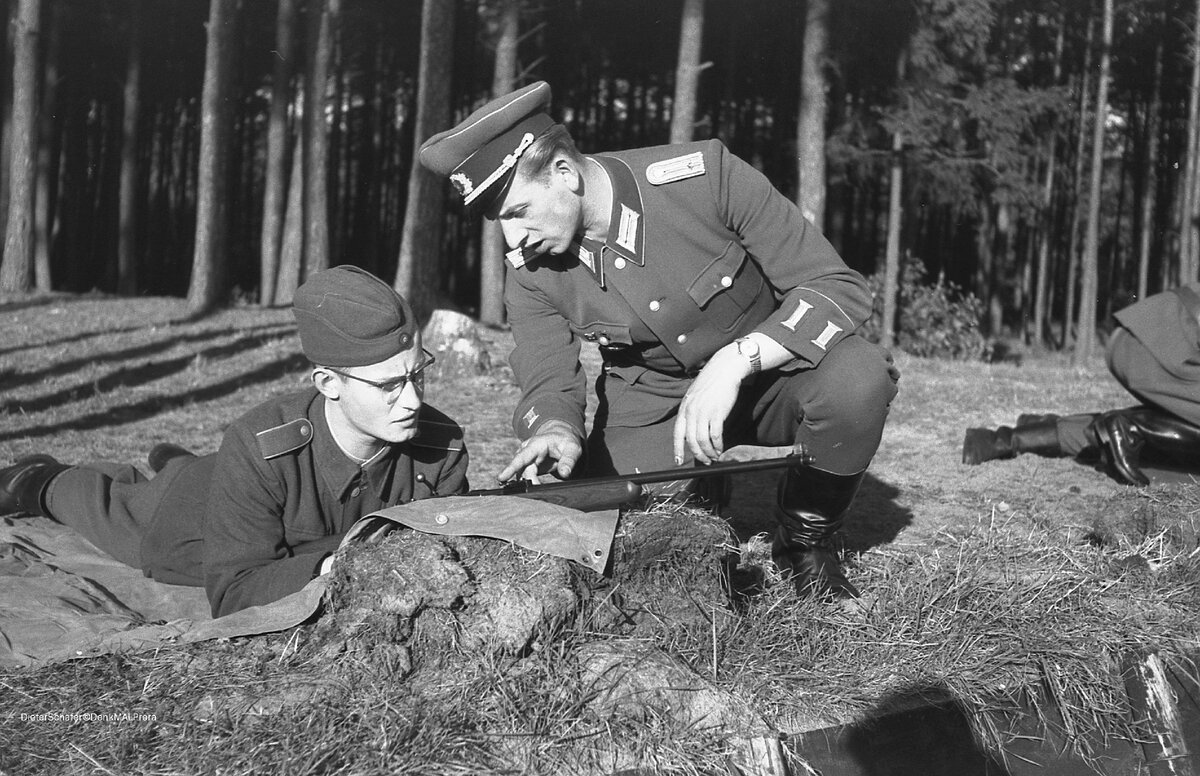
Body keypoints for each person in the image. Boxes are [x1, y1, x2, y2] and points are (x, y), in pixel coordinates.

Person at [418, 82, 898, 599]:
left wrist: (739, 359)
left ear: (565, 173)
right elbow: (546, 372)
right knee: (619, 528)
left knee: (859, 380)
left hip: (772, 377)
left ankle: (806, 543)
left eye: (517, 212)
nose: (513, 239)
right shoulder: (532, 269)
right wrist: (555, 428)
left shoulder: (703, 178)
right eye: (500, 222)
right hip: (658, 407)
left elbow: (837, 287)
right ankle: (701, 486)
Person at [0, 266, 469, 617]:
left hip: (248, 494)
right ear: (328, 383)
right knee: (117, 511)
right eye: (389, 385)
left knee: (204, 471)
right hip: (194, 515)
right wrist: (339, 568)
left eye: (418, 375)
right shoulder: (262, 445)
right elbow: (233, 591)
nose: (412, 400)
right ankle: (39, 478)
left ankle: (174, 459)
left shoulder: (441, 446)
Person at [963, 283, 1200, 486]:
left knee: (1131, 438)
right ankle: (1129, 429)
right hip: (1163, 340)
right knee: (1133, 433)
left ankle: (1004, 440)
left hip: (1146, 339)